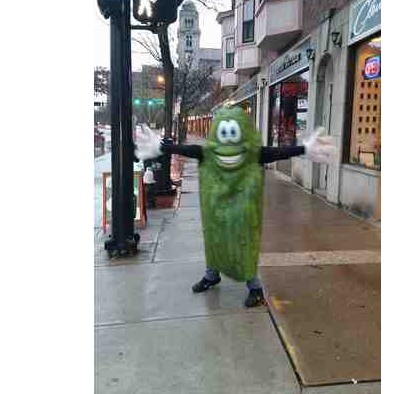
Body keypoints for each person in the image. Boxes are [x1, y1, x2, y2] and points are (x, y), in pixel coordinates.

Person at [135, 107, 336, 307]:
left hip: (242, 213)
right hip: (216, 212)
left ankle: (255, 288)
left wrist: (303, 149)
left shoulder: (251, 154)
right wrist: (162, 147)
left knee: (244, 247)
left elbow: (276, 152)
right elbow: (188, 150)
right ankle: (212, 275)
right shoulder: (209, 153)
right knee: (214, 242)